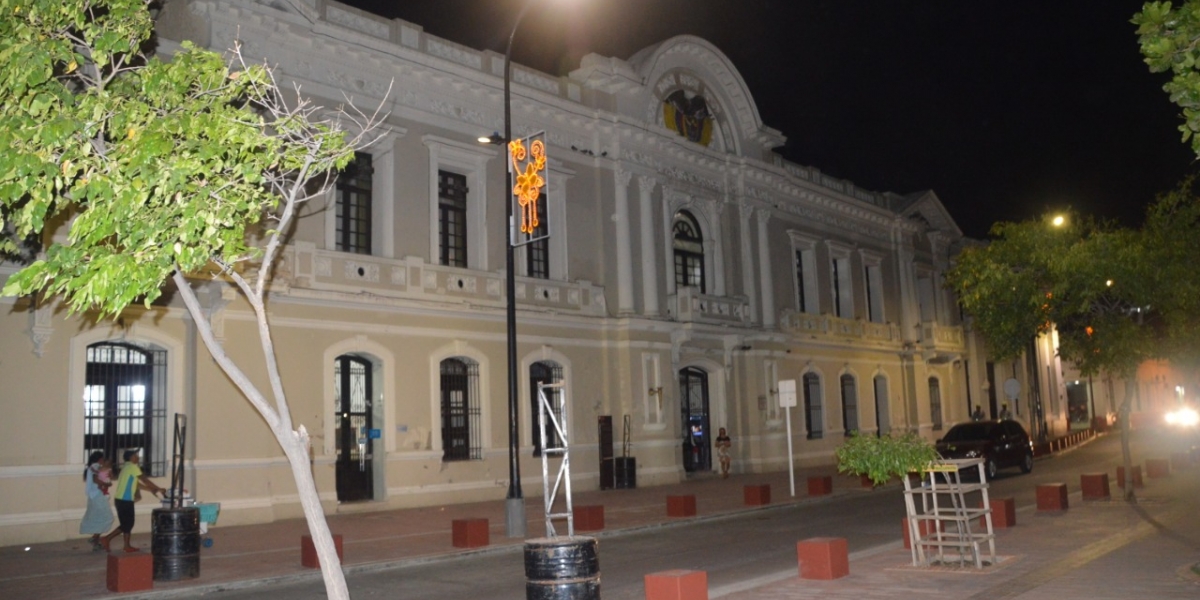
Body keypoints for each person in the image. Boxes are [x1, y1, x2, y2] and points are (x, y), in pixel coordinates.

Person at [100, 449, 165, 553]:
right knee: (127, 524)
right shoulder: (132, 467)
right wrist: (158, 489)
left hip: (121, 499)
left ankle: (126, 545)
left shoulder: (126, 467)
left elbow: (137, 484)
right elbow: (144, 479)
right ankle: (107, 539)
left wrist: (152, 489)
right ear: (131, 457)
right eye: (136, 455)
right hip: (125, 500)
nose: (138, 457)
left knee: (126, 523)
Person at [80, 451, 113, 551]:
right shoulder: (96, 466)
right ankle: (95, 538)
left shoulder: (92, 467)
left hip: (95, 495)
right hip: (97, 495)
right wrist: (106, 484)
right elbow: (96, 479)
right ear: (100, 459)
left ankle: (96, 539)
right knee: (107, 516)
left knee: (100, 516)